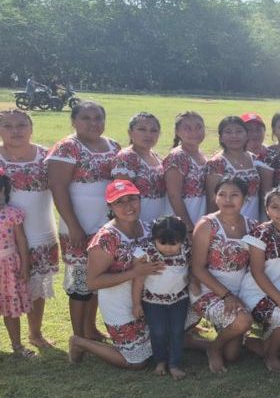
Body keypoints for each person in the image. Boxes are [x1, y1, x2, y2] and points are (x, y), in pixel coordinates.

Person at [68, 180, 164, 369]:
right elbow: (92, 282)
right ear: (110, 206)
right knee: (136, 363)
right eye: (119, 202)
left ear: (140, 199)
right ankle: (79, 342)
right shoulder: (106, 238)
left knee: (164, 343)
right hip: (118, 302)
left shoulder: (148, 228)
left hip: (145, 299)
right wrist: (134, 272)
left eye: (132, 199)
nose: (128, 206)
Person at [47, 101, 119, 343]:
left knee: (97, 279)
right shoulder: (67, 147)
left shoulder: (113, 146)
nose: (93, 123)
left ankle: (90, 329)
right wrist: (73, 225)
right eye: (86, 118)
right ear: (74, 121)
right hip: (78, 227)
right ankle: (78, 337)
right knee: (80, 285)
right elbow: (58, 187)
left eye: (98, 118)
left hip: (105, 227)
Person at [0, 109, 59, 348]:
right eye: (8, 126)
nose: (15, 131)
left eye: (21, 125)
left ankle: (35, 333)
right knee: (6, 286)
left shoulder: (47, 156)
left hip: (41, 231)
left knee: (37, 286)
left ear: (31, 128)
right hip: (5, 238)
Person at [187, 176, 256, 373]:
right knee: (242, 321)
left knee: (232, 355)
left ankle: (195, 342)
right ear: (215, 198)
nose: (228, 200)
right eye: (222, 194)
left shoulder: (252, 226)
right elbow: (197, 268)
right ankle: (213, 349)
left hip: (238, 291)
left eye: (234, 195)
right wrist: (227, 295)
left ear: (244, 198)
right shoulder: (207, 225)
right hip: (208, 289)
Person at [240, 188, 280, 373]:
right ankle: (271, 356)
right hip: (257, 293)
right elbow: (258, 273)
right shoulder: (260, 233)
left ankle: (249, 342)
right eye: (274, 207)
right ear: (267, 210)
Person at [131, 215, 191, 381]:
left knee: (177, 331)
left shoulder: (187, 249)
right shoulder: (145, 253)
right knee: (158, 331)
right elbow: (138, 279)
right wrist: (136, 304)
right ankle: (160, 361)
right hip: (152, 302)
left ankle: (174, 364)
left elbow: (193, 268)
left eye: (174, 243)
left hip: (179, 299)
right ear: (154, 239)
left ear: (182, 240)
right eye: (162, 243)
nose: (168, 248)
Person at [0, 168, 34, 357]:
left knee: (10, 309)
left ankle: (17, 346)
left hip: (8, 269)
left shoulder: (12, 214)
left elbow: (21, 240)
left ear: (4, 191)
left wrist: (25, 265)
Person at [113, 112, 167, 224]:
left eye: (154, 130)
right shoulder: (127, 157)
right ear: (130, 132)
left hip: (157, 222)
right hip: (138, 224)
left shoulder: (156, 156)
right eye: (142, 129)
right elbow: (122, 199)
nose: (148, 134)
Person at [206, 116, 261, 222]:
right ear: (221, 137)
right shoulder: (216, 163)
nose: (234, 136)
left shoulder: (255, 159)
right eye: (228, 132)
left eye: (239, 131)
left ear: (246, 135)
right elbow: (212, 201)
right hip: (228, 223)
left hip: (253, 221)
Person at [164, 111, 207, 232]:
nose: (194, 132)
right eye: (187, 128)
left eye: (199, 127)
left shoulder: (202, 155)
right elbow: (174, 196)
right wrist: (188, 227)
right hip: (182, 224)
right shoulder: (177, 157)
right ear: (177, 132)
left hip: (200, 218)